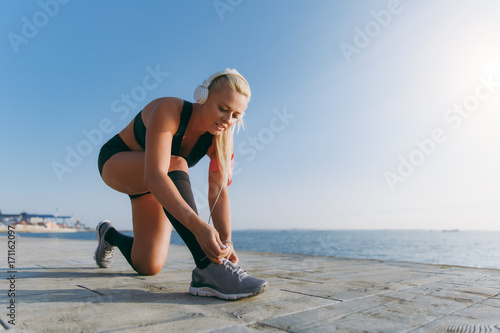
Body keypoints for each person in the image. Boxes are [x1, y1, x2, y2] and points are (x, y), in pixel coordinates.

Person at [94, 68, 268, 300]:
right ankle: (207, 268)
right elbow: (155, 175)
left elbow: (218, 191)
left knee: (149, 265)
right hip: (116, 163)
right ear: (202, 97)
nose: (227, 120)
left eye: (236, 115)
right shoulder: (169, 110)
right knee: (175, 162)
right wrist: (198, 227)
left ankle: (109, 235)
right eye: (222, 108)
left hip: (153, 183)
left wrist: (226, 242)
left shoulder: (221, 140)